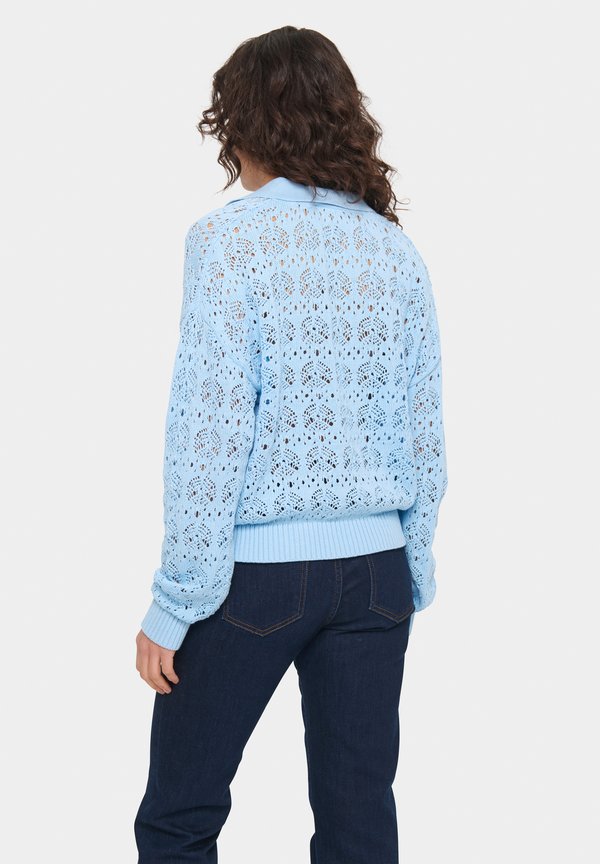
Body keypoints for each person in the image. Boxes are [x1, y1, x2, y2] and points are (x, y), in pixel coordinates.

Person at [134, 24, 448, 864]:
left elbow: (208, 434)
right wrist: (410, 569)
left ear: (244, 123)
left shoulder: (229, 241)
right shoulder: (395, 250)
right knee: (358, 825)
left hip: (255, 578)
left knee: (179, 818)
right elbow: (424, 435)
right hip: (377, 575)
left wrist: (174, 603)